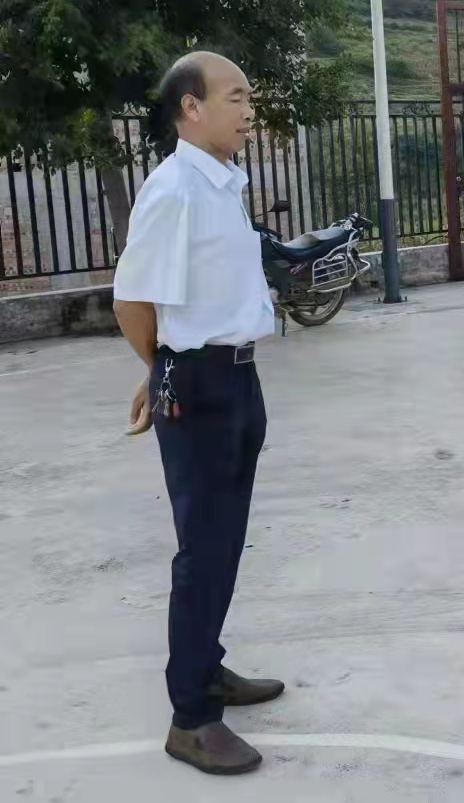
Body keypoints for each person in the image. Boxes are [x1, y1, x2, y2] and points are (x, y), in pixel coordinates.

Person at [113, 51, 282, 776]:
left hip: (238, 377)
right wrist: (162, 369)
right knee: (203, 548)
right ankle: (190, 717)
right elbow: (132, 300)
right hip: (201, 385)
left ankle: (206, 665)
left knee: (225, 539)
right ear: (192, 107)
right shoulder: (175, 189)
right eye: (235, 97)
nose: (248, 110)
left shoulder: (223, 182)